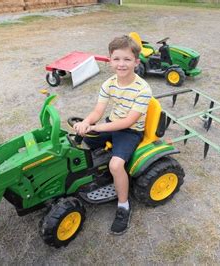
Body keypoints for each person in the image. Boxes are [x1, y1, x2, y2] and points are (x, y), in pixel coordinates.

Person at [73, 35, 152, 235]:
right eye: (117, 59)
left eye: (127, 59)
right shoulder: (108, 84)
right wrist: (86, 123)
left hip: (130, 131)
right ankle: (100, 174)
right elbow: (98, 111)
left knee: (116, 165)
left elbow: (128, 122)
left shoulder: (143, 89)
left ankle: (124, 205)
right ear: (110, 61)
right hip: (112, 123)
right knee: (85, 139)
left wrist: (98, 128)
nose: (121, 64)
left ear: (136, 61)